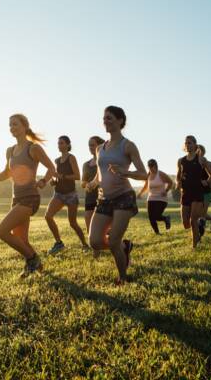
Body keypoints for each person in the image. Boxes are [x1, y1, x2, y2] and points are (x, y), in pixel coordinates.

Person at [0, 113, 55, 277]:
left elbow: (52, 168)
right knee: (21, 239)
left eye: (15, 124)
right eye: (10, 125)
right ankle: (38, 268)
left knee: (2, 231)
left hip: (30, 198)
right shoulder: (10, 151)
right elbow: (7, 173)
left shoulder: (33, 148)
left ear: (25, 126)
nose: (12, 128)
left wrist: (43, 182)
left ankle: (33, 260)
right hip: (16, 198)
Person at [88, 106, 147, 285]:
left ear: (120, 121)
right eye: (104, 118)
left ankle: (123, 277)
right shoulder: (100, 148)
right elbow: (100, 173)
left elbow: (144, 174)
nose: (105, 121)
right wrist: (93, 183)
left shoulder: (127, 145)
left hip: (123, 197)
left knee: (113, 239)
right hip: (104, 198)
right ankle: (124, 247)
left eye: (110, 118)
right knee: (95, 242)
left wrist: (125, 172)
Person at [45, 136, 89, 254]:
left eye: (62, 143)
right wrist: (54, 181)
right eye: (58, 143)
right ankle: (59, 243)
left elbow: (77, 176)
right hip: (59, 193)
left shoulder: (71, 158)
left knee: (73, 223)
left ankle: (85, 244)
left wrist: (62, 177)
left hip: (71, 195)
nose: (59, 145)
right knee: (48, 216)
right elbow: (57, 177)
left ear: (68, 145)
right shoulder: (57, 160)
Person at [176, 135, 211, 248]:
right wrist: (178, 182)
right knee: (186, 224)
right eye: (186, 143)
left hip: (197, 192)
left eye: (190, 143)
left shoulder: (201, 159)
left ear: (195, 145)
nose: (188, 145)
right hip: (185, 193)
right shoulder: (181, 161)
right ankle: (199, 227)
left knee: (193, 220)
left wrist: (207, 181)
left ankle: (195, 245)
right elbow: (178, 176)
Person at [137, 159, 173, 234]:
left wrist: (166, 191)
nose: (150, 168)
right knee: (151, 217)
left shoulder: (161, 174)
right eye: (149, 167)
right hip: (151, 199)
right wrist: (140, 193)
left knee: (156, 216)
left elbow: (170, 182)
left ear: (156, 166)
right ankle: (157, 233)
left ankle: (166, 218)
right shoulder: (148, 175)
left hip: (161, 199)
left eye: (152, 166)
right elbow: (146, 186)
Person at [81, 136, 104, 233]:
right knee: (89, 228)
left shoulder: (104, 161)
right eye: (89, 146)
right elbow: (83, 182)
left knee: (103, 228)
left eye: (92, 145)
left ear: (99, 146)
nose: (90, 147)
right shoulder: (86, 164)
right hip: (89, 197)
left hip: (102, 197)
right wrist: (87, 185)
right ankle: (95, 247)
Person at [197, 144, 211, 234]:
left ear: (203, 152)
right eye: (197, 150)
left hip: (206, 191)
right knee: (199, 212)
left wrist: (208, 181)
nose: (198, 152)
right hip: (196, 191)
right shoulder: (192, 164)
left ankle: (201, 228)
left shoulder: (209, 163)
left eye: (200, 150)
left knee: (202, 212)